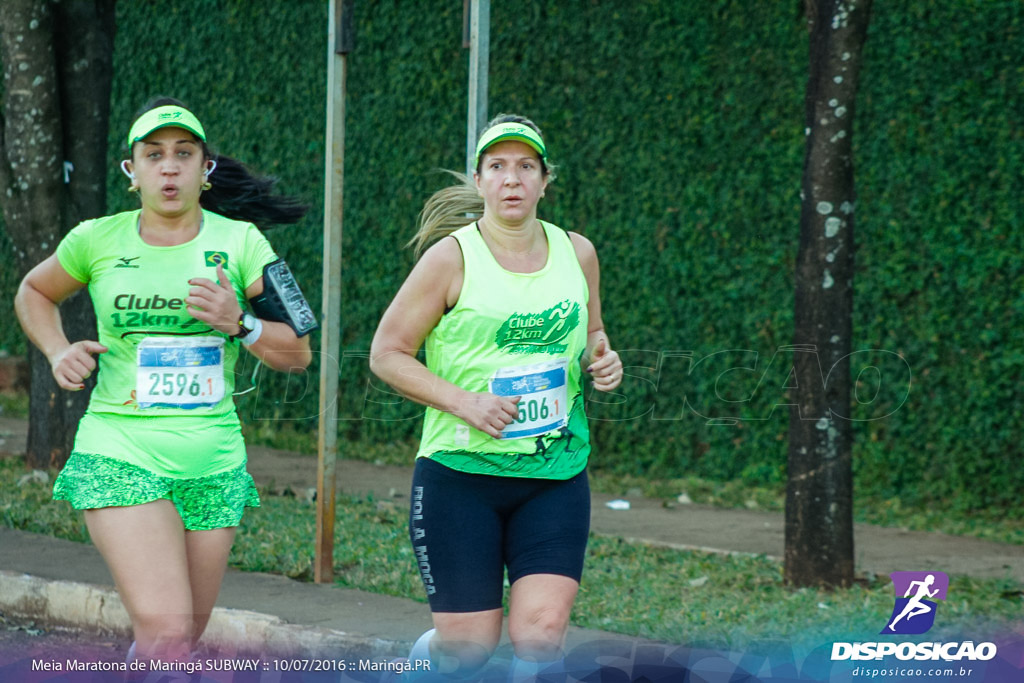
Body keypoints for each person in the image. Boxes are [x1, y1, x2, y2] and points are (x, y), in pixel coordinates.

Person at [14, 97, 315, 665]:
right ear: (132, 171)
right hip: (120, 449)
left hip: (214, 461)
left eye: (183, 154)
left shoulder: (244, 244)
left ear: (206, 168)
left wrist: (241, 322)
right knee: (171, 635)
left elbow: (297, 353)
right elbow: (34, 291)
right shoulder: (95, 239)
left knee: (174, 643)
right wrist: (57, 351)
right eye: (154, 155)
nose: (169, 167)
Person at [370, 114, 623, 680]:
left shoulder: (577, 252)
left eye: (526, 167)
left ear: (544, 180)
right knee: (468, 649)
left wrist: (602, 359)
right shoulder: (450, 259)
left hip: (554, 474)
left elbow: (593, 334)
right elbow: (387, 353)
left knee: (541, 633)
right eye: (499, 167)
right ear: (480, 180)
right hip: (460, 476)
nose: (513, 179)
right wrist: (466, 402)